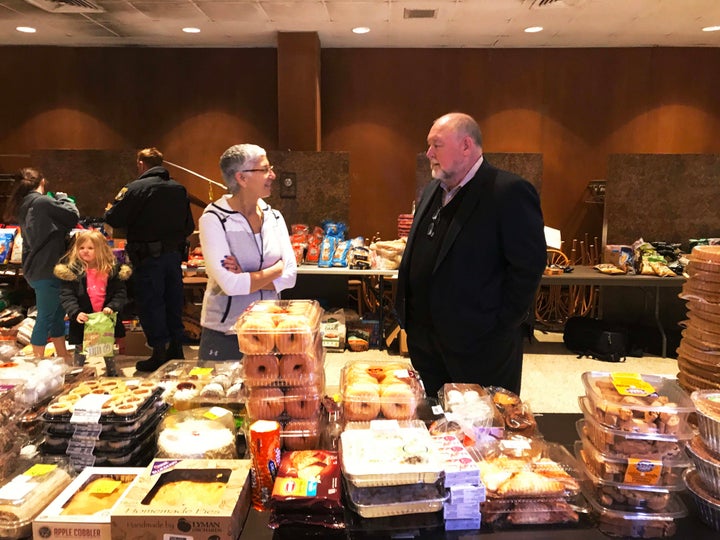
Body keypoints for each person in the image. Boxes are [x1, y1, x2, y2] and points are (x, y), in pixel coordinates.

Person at [395, 112, 547, 397]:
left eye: (436, 145)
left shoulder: (508, 191)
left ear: (466, 145)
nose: (428, 153)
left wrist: (500, 326)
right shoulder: (431, 190)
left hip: (480, 350)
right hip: (427, 346)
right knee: (436, 430)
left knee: (482, 434)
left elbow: (528, 267)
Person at [197, 143, 297, 360]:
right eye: (265, 169)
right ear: (242, 178)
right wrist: (276, 269)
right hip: (226, 332)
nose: (273, 174)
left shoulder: (275, 217)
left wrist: (246, 276)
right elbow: (231, 285)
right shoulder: (214, 219)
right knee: (221, 393)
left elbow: (290, 277)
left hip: (270, 327)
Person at [104, 147, 195, 372]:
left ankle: (159, 352)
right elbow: (189, 226)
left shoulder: (135, 188)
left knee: (151, 303)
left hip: (147, 258)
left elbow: (113, 218)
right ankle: (176, 348)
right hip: (173, 257)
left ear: (141, 164)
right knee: (173, 301)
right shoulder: (179, 189)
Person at [3, 168, 79, 361]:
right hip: (48, 267)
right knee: (46, 315)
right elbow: (72, 215)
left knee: (56, 313)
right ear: (42, 182)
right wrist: (64, 199)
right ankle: (37, 361)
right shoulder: (43, 201)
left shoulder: (23, 205)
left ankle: (62, 354)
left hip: (37, 268)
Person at [53, 230, 132, 376]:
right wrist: (75, 312)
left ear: (101, 249)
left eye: (90, 248)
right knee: (80, 347)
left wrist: (112, 307)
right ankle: (77, 372)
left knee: (107, 346)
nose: (85, 251)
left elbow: (120, 293)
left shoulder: (112, 271)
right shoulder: (73, 272)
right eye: (81, 248)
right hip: (84, 318)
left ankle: (112, 373)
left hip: (105, 317)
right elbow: (67, 295)